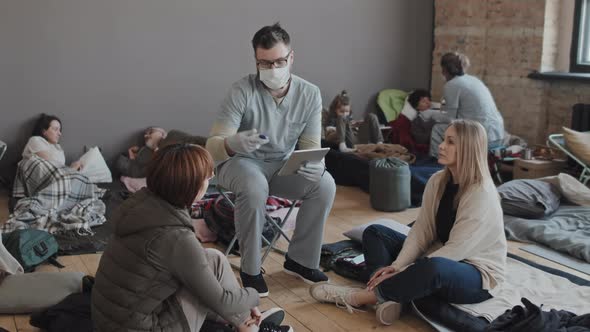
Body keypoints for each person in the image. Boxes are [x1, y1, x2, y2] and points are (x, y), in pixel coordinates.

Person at [309, 120, 507, 325]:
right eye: (443, 140)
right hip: (436, 253)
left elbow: (455, 251)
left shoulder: (481, 194)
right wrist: (396, 266)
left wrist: (403, 272)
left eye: (450, 142)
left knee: (434, 268)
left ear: (468, 149)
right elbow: (422, 229)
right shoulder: (438, 181)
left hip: (476, 274)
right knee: (375, 232)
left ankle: (360, 297)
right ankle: (387, 294)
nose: (441, 145)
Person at [92, 143, 292, 332]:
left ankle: (244, 323)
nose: (211, 178)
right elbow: (223, 300)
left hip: (111, 320)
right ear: (189, 185)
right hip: (137, 327)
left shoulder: (143, 204)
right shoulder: (176, 237)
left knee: (213, 257)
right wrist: (253, 296)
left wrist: (242, 304)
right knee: (214, 294)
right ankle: (251, 326)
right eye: (206, 177)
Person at [206, 22, 336, 297]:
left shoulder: (309, 93)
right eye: (264, 63)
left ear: (291, 57)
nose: (273, 69)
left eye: (279, 61)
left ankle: (300, 261)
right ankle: (251, 270)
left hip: (281, 165)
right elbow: (211, 148)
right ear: (256, 61)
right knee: (254, 186)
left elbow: (311, 146)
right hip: (240, 164)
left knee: (325, 185)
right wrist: (231, 144)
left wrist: (317, 166)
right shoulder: (241, 90)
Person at [429, 52, 504, 157]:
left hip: (480, 137)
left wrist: (429, 114)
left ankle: (437, 167)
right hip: (498, 136)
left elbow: (448, 118)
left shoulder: (451, 85)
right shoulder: (474, 80)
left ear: (444, 70)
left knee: (437, 129)